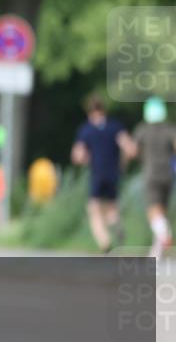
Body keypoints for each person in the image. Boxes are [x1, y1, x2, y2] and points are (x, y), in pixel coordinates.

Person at [71, 95, 135, 253]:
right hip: (114, 172)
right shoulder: (115, 126)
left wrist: (85, 159)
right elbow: (130, 149)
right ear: (104, 109)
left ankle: (104, 242)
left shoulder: (86, 130)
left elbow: (78, 155)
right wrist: (123, 163)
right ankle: (116, 225)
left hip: (97, 172)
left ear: (89, 111)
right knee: (112, 207)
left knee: (93, 208)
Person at [128, 96, 176, 258]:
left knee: (153, 212)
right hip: (168, 175)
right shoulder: (170, 129)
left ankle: (164, 236)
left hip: (151, 174)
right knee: (162, 211)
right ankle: (156, 253)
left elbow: (133, 151)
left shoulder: (142, 129)